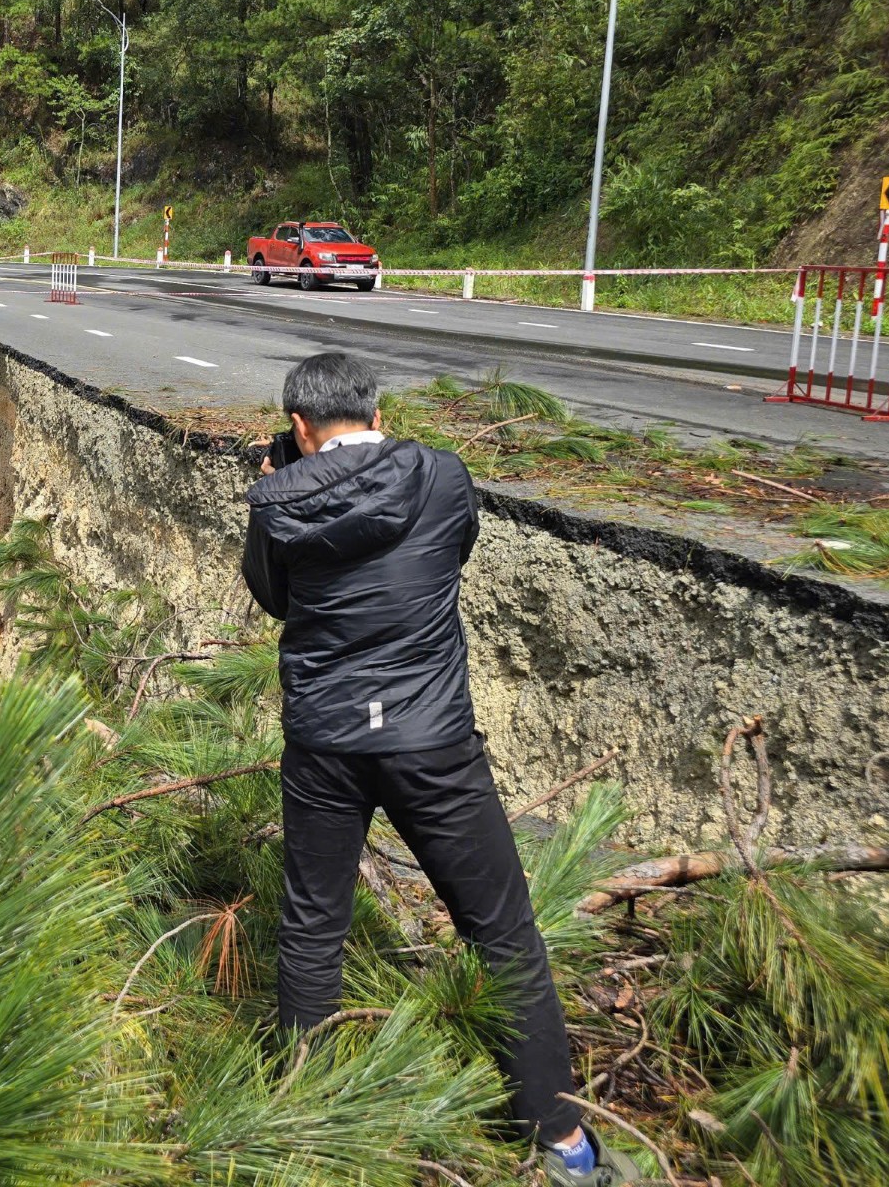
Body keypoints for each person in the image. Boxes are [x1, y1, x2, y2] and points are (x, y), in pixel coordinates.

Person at [242, 352, 641, 1186]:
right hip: (430, 740)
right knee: (502, 932)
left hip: (325, 740)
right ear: (377, 412)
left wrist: (286, 473)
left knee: (315, 924)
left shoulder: (277, 498)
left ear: (299, 426)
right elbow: (450, 548)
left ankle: (308, 1115)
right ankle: (564, 1146)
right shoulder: (442, 476)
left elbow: (274, 596)